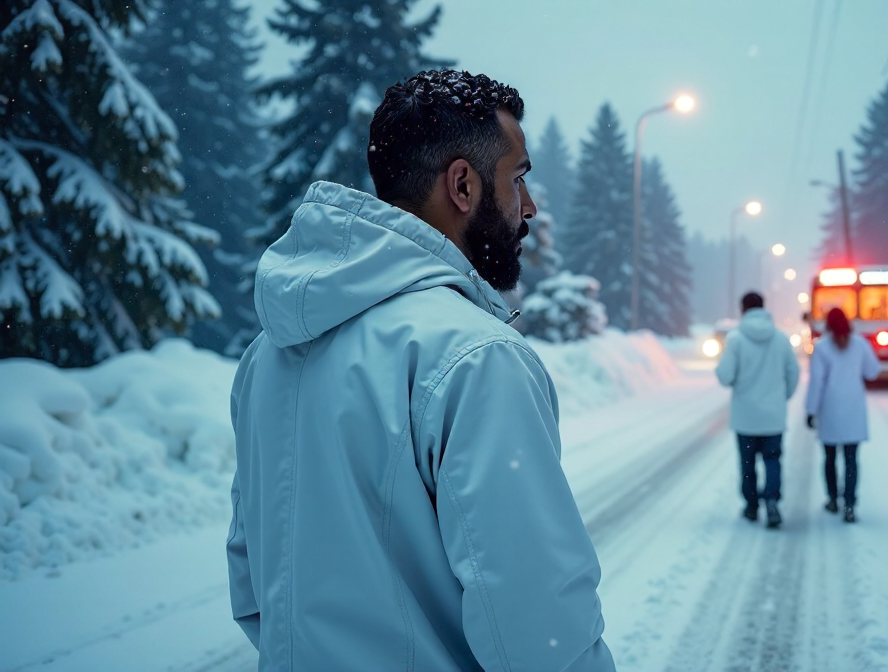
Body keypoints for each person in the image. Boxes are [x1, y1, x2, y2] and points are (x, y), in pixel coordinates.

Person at [226, 70, 615, 671]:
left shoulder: (267, 356)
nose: (529, 206)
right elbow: (539, 630)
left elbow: (254, 584)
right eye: (519, 178)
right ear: (462, 184)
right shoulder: (475, 358)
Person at [715, 292, 801, 529]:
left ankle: (752, 506)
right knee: (773, 460)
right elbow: (793, 373)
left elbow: (725, 376)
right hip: (773, 415)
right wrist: (782, 396)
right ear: (764, 308)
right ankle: (772, 501)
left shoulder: (736, 340)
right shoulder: (781, 339)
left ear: (743, 309)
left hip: (746, 416)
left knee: (748, 463)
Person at [805, 307, 881, 523]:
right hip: (853, 408)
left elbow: (816, 382)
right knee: (851, 460)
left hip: (830, 408)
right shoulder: (860, 345)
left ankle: (832, 499)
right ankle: (849, 504)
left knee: (829, 458)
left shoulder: (822, 348)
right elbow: (872, 371)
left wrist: (811, 411)